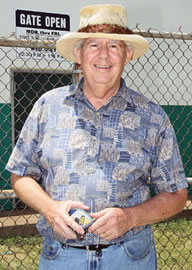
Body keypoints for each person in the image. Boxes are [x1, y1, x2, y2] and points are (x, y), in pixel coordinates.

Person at [6, 4, 188, 270]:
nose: (104, 55)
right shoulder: (48, 106)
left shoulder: (152, 117)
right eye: (93, 45)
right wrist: (50, 209)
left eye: (114, 46)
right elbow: (20, 175)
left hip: (129, 257)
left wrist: (129, 217)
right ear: (78, 54)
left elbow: (177, 195)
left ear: (127, 55)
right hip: (62, 257)